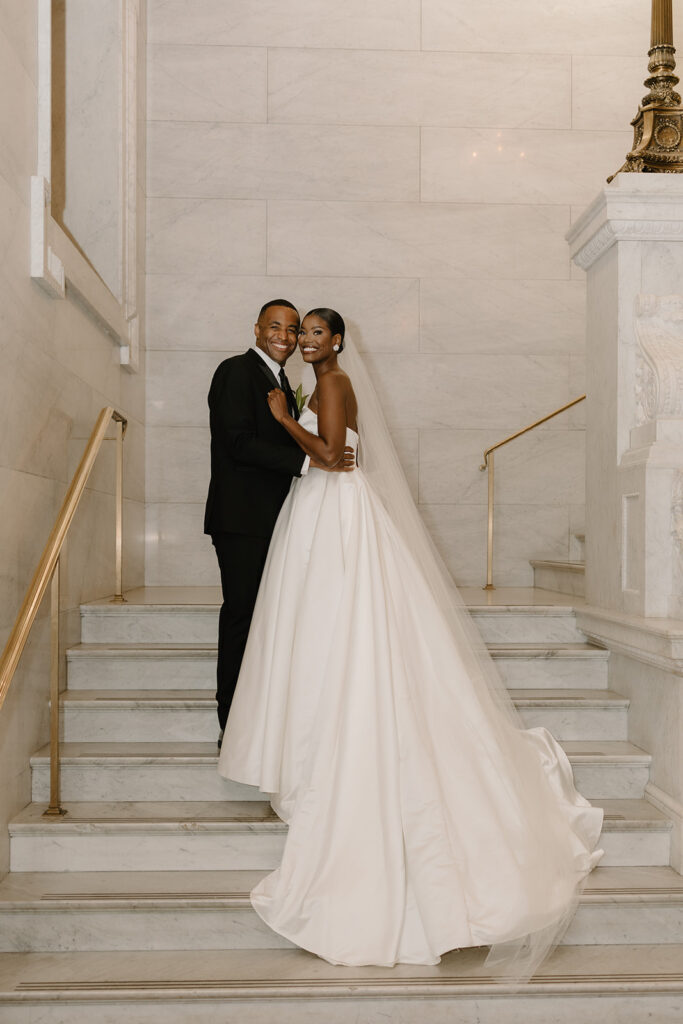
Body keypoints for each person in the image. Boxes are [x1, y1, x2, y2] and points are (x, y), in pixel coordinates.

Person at [218, 308, 604, 974]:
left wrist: (284, 418)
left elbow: (336, 460)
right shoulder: (322, 380)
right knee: (321, 631)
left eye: (316, 333)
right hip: (317, 516)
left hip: (336, 513)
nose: (307, 341)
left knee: (347, 627)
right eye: (300, 333)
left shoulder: (332, 384)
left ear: (336, 341)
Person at [204, 299, 352, 747]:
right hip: (243, 519)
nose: (287, 337)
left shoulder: (285, 380)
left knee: (268, 621)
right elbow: (237, 442)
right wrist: (309, 463)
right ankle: (231, 726)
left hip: (275, 519)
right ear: (256, 330)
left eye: (295, 329)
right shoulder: (235, 370)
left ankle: (261, 718)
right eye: (277, 327)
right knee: (243, 618)